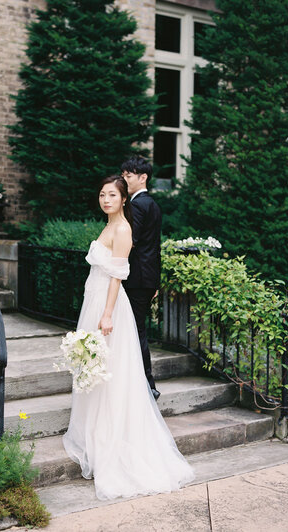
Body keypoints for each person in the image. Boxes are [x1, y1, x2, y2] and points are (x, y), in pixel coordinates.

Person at [63, 175, 195, 501]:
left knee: (112, 370)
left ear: (124, 199)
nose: (106, 199)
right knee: (95, 367)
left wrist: (107, 314)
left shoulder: (123, 229)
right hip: (93, 299)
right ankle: (94, 429)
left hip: (108, 305)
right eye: (102, 194)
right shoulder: (108, 225)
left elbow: (117, 276)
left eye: (112, 195)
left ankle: (113, 435)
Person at [121, 156, 161, 400]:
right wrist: (155, 281)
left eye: (128, 175)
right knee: (137, 330)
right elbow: (155, 246)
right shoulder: (152, 204)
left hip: (135, 278)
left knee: (136, 331)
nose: (124, 179)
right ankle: (144, 383)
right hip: (146, 279)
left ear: (143, 177)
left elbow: (131, 243)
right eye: (123, 175)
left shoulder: (137, 205)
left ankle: (148, 385)